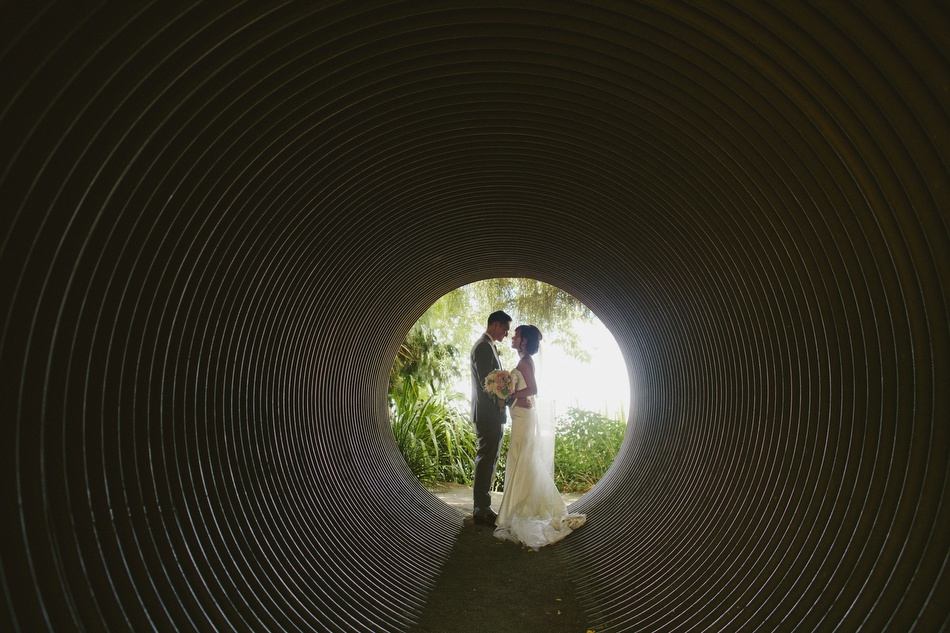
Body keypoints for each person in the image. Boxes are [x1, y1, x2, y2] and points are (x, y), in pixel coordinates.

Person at [494, 325, 586, 549]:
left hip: (524, 418)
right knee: (522, 459)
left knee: (522, 459)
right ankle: (523, 505)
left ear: (524, 340)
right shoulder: (524, 360)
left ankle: (516, 509)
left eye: (516, 335)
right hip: (521, 415)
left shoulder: (525, 361)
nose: (513, 338)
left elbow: (533, 388)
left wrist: (511, 393)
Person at [470, 310, 513, 525]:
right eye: (505, 329)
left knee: (491, 458)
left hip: (493, 413)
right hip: (487, 413)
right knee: (486, 458)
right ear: (495, 324)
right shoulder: (483, 347)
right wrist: (504, 396)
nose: (506, 334)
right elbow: (487, 382)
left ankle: (484, 507)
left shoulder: (490, 347)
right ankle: (480, 509)